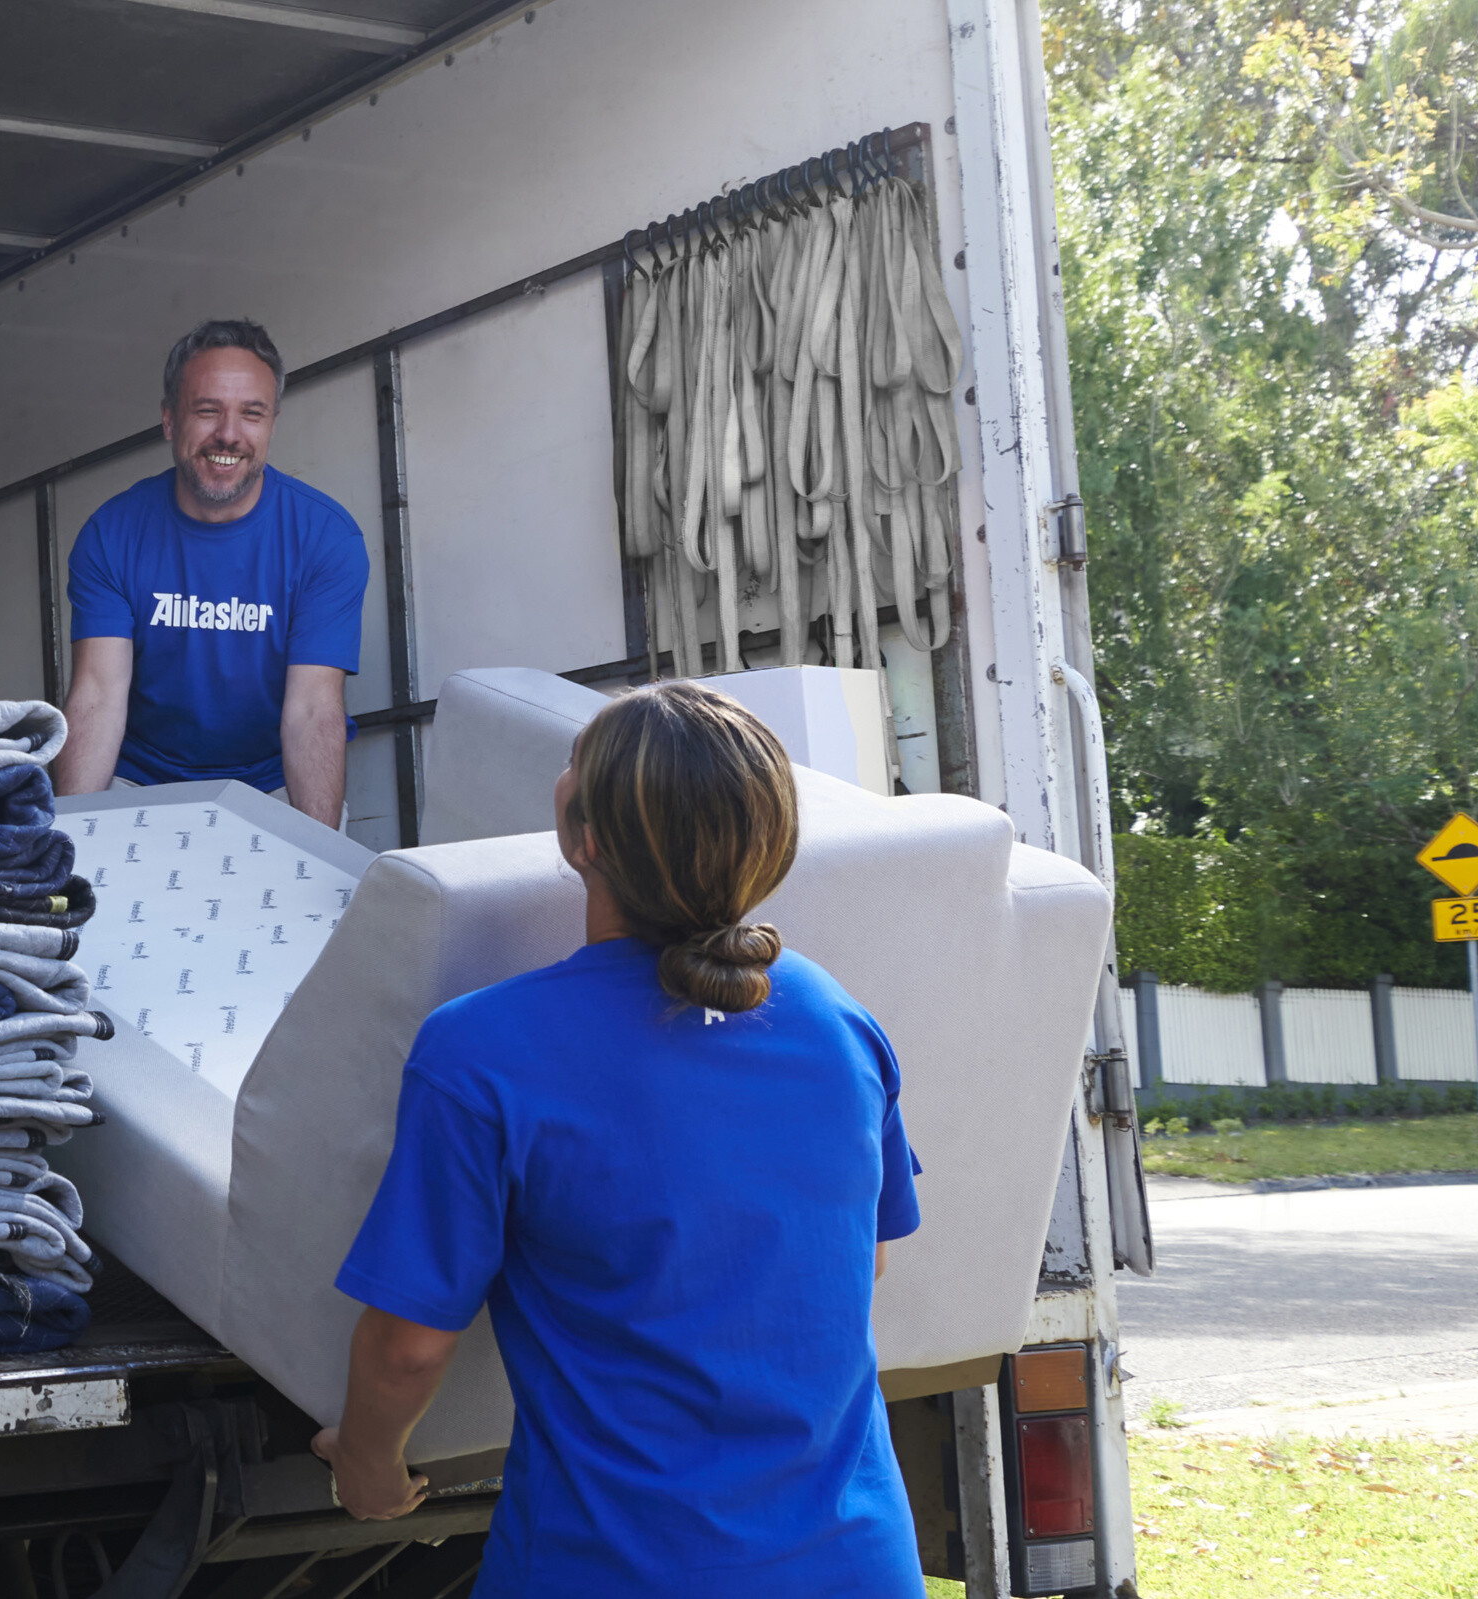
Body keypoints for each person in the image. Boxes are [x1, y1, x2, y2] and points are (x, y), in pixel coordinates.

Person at [310, 680, 925, 1595]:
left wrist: (367, 1464)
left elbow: (409, 1345)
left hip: (618, 1568)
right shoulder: (839, 1021)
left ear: (582, 839)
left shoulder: (483, 1049)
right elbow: (858, 1262)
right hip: (855, 1564)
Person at [54, 319, 370, 830]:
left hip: (270, 782)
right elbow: (97, 697)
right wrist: (68, 840)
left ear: (272, 423)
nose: (229, 434)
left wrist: (316, 855)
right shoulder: (111, 533)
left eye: (252, 414)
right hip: (139, 779)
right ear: (169, 420)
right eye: (207, 411)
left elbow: (313, 710)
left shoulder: (326, 538)